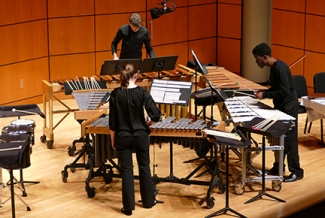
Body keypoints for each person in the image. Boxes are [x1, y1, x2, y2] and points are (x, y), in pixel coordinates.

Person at [109, 63, 161, 215]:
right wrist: (150, 122)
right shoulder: (142, 93)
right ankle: (149, 202)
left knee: (126, 171)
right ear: (136, 76)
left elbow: (113, 122)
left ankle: (128, 207)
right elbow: (156, 115)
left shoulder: (115, 94)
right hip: (140, 136)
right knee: (144, 167)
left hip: (123, 136)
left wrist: (113, 139)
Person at [252, 42, 304, 182]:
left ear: (264, 57)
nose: (256, 62)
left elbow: (284, 91)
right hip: (282, 106)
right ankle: (278, 166)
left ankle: (297, 171)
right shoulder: (274, 68)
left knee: (290, 140)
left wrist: (265, 95)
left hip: (289, 107)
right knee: (281, 138)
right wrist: (264, 92)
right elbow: (276, 89)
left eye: (257, 59)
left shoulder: (279, 68)